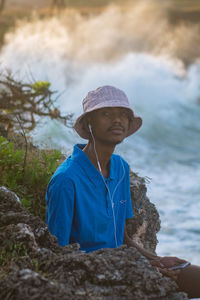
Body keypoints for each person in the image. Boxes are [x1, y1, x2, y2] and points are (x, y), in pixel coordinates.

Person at [46, 85, 200, 298]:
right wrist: (137, 273)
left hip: (126, 267)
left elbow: (122, 238)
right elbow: (58, 256)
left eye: (123, 115)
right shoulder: (66, 180)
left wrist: (155, 259)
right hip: (91, 279)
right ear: (89, 122)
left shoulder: (120, 168)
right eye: (106, 113)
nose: (117, 120)